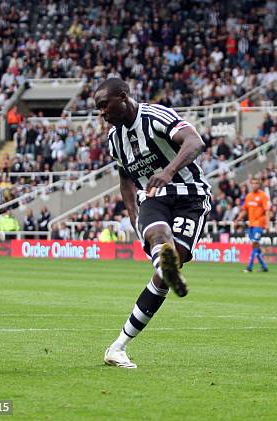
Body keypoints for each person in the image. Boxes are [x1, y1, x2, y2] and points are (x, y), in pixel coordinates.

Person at [94, 78, 211, 369]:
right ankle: (164, 262)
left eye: (104, 105)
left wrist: (170, 171)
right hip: (153, 199)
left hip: (190, 196)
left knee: (170, 264)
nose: (101, 113)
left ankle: (118, 346)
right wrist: (134, 218)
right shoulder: (114, 139)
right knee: (159, 236)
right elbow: (124, 179)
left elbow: (195, 141)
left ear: (123, 98)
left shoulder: (156, 116)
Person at [234, 178, 270, 273]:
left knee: (254, 244)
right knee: (256, 246)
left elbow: (267, 211)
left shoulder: (263, 196)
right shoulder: (249, 196)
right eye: (252, 184)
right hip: (251, 225)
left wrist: (268, 224)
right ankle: (264, 266)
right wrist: (237, 219)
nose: (254, 185)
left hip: (259, 224)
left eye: (256, 183)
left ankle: (249, 267)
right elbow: (245, 210)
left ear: (259, 185)